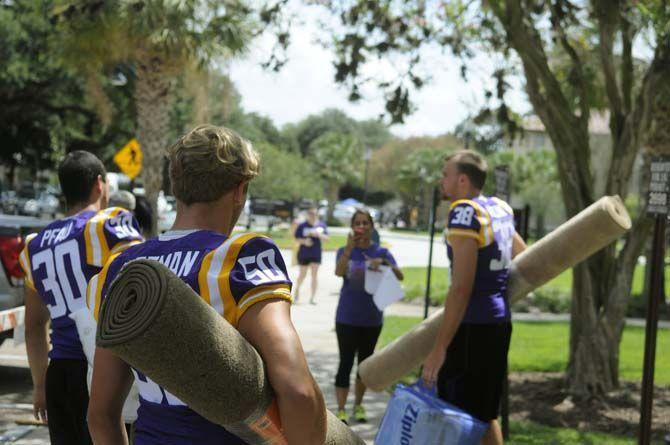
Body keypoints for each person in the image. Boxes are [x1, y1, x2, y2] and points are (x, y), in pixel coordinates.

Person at [87, 124, 327, 445]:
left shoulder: (124, 268)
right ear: (239, 190)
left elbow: (100, 415)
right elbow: (298, 391)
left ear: (176, 185)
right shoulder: (238, 257)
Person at [19, 151, 143, 445]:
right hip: (104, 368)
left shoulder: (34, 246)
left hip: (59, 372)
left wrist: (39, 385)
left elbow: (34, 327)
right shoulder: (106, 225)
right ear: (100, 185)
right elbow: (144, 283)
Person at [421, 150, 527, 445]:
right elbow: (523, 253)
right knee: (484, 413)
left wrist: (439, 348)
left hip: (472, 326)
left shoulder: (464, 212)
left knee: (457, 414)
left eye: (446, 175)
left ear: (463, 180)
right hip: (498, 321)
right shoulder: (499, 207)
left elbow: (461, 287)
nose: (442, 181)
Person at [334, 208, 403, 424]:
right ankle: (342, 410)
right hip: (346, 318)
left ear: (372, 227)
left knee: (364, 366)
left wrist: (383, 264)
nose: (361, 227)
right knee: (345, 363)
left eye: (365, 223)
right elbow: (338, 272)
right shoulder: (344, 250)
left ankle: (358, 406)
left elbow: (400, 275)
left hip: (372, 319)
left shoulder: (381, 252)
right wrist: (348, 249)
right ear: (352, 227)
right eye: (358, 223)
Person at [293, 207, 329, 304]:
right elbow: (296, 238)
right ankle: (297, 290)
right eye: (311, 214)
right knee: (303, 274)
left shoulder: (321, 225)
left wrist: (319, 235)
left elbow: (327, 238)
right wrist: (304, 241)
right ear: (308, 215)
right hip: (304, 253)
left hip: (316, 253)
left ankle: (313, 298)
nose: (313, 216)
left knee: (314, 275)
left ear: (317, 215)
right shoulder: (302, 225)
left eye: (315, 214)